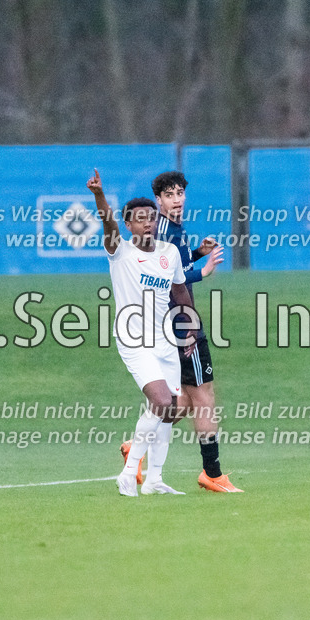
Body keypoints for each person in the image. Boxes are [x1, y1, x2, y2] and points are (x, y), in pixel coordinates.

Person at [87, 168, 195, 497]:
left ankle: (154, 479)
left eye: (151, 217)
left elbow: (180, 292)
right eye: (139, 219)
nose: (147, 222)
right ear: (129, 225)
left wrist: (189, 329)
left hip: (165, 340)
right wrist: (98, 195)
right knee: (161, 402)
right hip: (134, 341)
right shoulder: (120, 252)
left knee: (172, 409)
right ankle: (129, 472)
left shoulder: (169, 253)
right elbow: (107, 221)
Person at [145, 170, 242, 493]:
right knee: (204, 397)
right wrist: (204, 270)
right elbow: (171, 280)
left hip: (171, 323)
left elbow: (175, 267)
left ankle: (138, 442)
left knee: (185, 399)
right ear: (158, 200)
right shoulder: (164, 231)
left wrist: (197, 253)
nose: (178, 199)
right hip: (180, 324)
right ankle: (212, 473)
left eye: (181, 193)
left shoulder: (169, 228)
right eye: (170, 195)